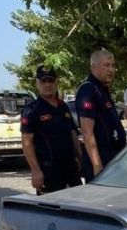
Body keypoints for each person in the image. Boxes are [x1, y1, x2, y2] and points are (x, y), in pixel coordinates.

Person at [21, 66, 82, 195]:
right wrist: (36, 171)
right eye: (44, 81)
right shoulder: (32, 110)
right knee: (52, 211)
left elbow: (73, 134)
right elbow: (27, 143)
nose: (48, 85)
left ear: (56, 82)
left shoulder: (63, 106)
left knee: (78, 206)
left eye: (51, 81)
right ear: (37, 83)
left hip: (70, 167)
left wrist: (81, 159)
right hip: (48, 170)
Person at [75, 50, 126, 183]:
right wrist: (97, 166)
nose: (111, 70)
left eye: (113, 65)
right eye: (106, 65)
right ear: (93, 67)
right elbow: (87, 132)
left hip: (113, 159)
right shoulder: (88, 90)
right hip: (101, 162)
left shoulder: (101, 89)